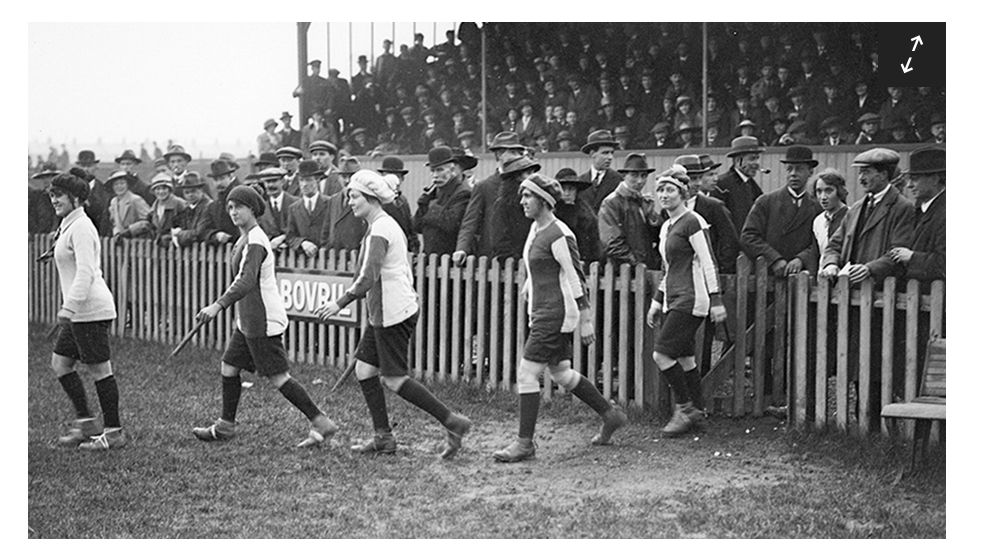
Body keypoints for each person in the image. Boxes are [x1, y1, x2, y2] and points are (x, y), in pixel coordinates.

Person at [315, 170, 471, 459]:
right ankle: (383, 437)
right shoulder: (378, 225)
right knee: (365, 370)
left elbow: (368, 277)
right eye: (350, 195)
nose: (350, 202)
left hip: (393, 312)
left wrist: (340, 303)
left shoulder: (381, 229)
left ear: (372, 199)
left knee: (395, 379)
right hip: (383, 312)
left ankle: (453, 422)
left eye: (355, 196)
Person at [492, 174, 627, 463]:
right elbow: (535, 262)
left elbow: (576, 276)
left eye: (528, 196)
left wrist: (586, 317)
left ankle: (524, 443)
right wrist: (529, 283)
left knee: (527, 374)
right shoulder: (535, 228)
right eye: (522, 196)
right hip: (540, 310)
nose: (522, 201)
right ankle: (610, 414)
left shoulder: (560, 234)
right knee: (562, 373)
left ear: (544, 200)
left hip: (554, 314)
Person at [193, 185, 339, 447]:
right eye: (230, 207)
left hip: (262, 319)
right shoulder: (245, 237)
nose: (233, 211)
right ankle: (226, 425)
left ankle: (320, 421)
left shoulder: (257, 240)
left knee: (279, 377)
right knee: (229, 367)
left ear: (252, 209)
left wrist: (217, 305)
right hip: (247, 319)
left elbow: (246, 280)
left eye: (239, 206)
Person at [46, 170, 125, 450]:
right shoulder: (69, 223)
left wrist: (69, 307)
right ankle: (87, 422)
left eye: (59, 195)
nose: (54, 199)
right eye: (52, 194)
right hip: (79, 310)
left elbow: (86, 272)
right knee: (61, 363)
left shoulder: (81, 226)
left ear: (77, 198)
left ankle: (113, 432)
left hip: (89, 309)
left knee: (100, 369)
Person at [646, 172, 727, 437]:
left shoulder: (693, 222)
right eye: (661, 191)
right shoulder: (667, 225)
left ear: (683, 194)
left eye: (670, 190)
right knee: (686, 358)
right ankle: (699, 413)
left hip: (692, 299)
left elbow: (708, 262)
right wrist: (658, 301)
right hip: (674, 298)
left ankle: (684, 409)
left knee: (661, 354)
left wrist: (716, 300)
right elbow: (668, 268)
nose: (664, 195)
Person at [819, 148, 914, 285]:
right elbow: (834, 245)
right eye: (860, 172)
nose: (860, 178)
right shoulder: (856, 208)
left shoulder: (902, 207)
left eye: (866, 172)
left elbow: (899, 252)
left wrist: (870, 269)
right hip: (850, 290)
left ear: (883, 174)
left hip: (881, 290)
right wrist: (831, 264)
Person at [740, 146, 823, 277]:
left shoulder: (817, 208)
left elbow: (820, 241)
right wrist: (774, 259)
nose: (793, 174)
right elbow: (748, 237)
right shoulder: (766, 202)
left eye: (799, 169)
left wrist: (801, 259)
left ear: (810, 172)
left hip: (802, 277)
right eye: (789, 169)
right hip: (767, 276)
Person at [452, 131, 527, 265]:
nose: (517, 158)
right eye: (512, 153)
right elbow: (470, 221)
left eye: (518, 153)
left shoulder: (527, 184)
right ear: (499, 155)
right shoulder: (484, 186)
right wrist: (461, 249)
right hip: (491, 259)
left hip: (522, 255)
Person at [888, 145, 945, 282]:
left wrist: (912, 257)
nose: (909, 185)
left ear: (935, 178)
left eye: (915, 179)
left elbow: (945, 263)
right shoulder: (919, 210)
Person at [598, 153, 661, 269]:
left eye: (644, 176)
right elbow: (612, 243)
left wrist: (651, 216)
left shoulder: (642, 202)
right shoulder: (611, 203)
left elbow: (656, 238)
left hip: (644, 271)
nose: (640, 181)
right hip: (623, 273)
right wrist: (637, 264)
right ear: (623, 176)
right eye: (634, 175)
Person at [414, 146, 471, 255]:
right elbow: (417, 226)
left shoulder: (463, 193)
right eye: (432, 170)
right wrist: (422, 206)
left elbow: (451, 224)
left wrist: (431, 207)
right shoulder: (433, 193)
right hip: (431, 260)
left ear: (453, 170)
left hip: (451, 261)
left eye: (440, 170)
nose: (435, 175)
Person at [712, 136, 765, 233]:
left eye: (757, 158)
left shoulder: (752, 185)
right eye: (752, 159)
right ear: (738, 161)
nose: (757, 163)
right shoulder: (721, 185)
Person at [553, 168, 601, 264]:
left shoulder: (586, 214)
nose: (567, 193)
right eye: (563, 189)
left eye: (570, 189)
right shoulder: (551, 211)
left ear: (576, 190)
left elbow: (593, 244)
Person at [320, 156, 367, 253]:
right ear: (338, 178)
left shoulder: (365, 200)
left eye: (351, 177)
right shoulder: (333, 200)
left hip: (354, 256)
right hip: (334, 256)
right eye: (343, 177)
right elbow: (326, 229)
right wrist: (326, 247)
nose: (347, 181)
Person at [285, 160, 331, 257]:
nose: (304, 184)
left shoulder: (330, 203)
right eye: (301, 180)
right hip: (302, 260)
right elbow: (290, 237)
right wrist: (303, 243)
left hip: (326, 258)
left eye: (309, 180)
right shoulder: (293, 208)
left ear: (318, 180)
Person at [129, 172, 189, 247]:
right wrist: (130, 231)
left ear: (170, 189)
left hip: (177, 246)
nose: (161, 192)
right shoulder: (154, 208)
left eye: (164, 188)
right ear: (153, 191)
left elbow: (186, 226)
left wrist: (170, 236)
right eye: (158, 189)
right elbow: (148, 224)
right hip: (159, 247)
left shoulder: (179, 204)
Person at [377, 155, 419, 254]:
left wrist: (414, 249)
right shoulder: (376, 201)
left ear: (402, 179)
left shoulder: (403, 201)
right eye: (388, 177)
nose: (393, 181)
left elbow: (410, 229)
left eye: (396, 177)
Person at [577, 129, 622, 212]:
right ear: (592, 154)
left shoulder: (619, 180)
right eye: (605, 153)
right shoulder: (580, 182)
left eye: (612, 153)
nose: (610, 157)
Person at [810, 168, 849, 261]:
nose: (823, 197)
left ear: (839, 191)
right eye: (819, 191)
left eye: (828, 191)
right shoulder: (818, 221)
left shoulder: (852, 216)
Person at [106, 170, 152, 240]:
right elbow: (114, 223)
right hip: (121, 242)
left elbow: (148, 220)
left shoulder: (135, 199)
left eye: (122, 183)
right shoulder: (113, 202)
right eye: (116, 184)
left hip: (138, 241)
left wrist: (130, 230)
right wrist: (117, 233)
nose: (119, 187)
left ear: (127, 185)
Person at [258, 167, 296, 250]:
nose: (271, 185)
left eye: (274, 181)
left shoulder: (295, 203)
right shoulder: (261, 208)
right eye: (267, 182)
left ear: (282, 182)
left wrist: (283, 238)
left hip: (295, 255)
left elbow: (299, 230)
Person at [173, 173, 213, 247]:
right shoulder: (187, 207)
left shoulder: (208, 206)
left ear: (201, 190)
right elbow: (182, 226)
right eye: (187, 192)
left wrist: (178, 234)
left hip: (207, 250)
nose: (190, 195)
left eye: (193, 191)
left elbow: (199, 233)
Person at [29, 162, 59, 234]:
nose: (46, 180)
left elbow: (59, 216)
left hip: (56, 234)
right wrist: (32, 231)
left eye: (49, 177)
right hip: (38, 235)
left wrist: (54, 230)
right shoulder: (37, 196)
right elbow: (31, 214)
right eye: (44, 177)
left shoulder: (60, 195)